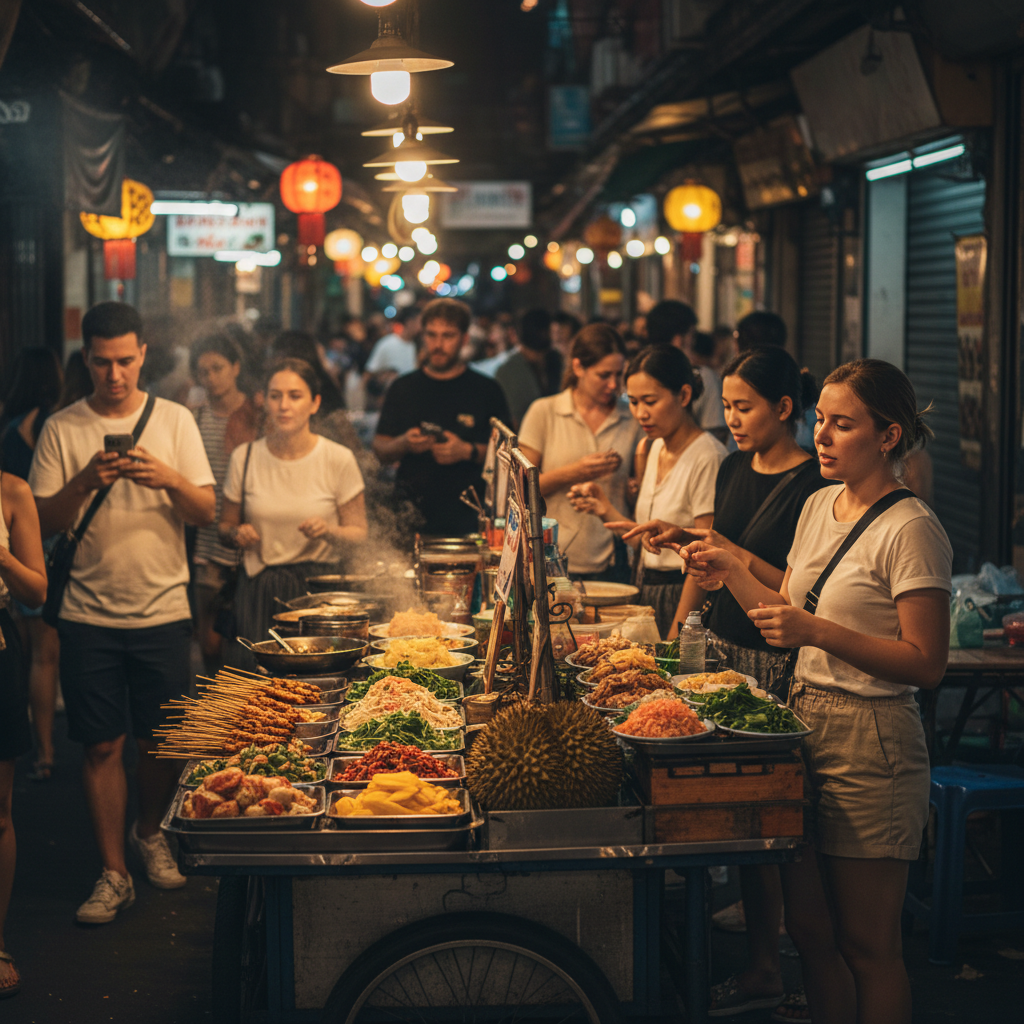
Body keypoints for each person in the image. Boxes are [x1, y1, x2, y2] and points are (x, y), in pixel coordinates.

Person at [679, 358, 952, 1024]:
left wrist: (816, 632)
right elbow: (787, 610)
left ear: (888, 436)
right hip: (804, 725)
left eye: (843, 424)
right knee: (810, 933)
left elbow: (925, 663)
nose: (823, 437)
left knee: (868, 945)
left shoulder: (911, 528)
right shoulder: (815, 505)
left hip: (874, 741)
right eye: (820, 420)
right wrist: (730, 568)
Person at [631, 347, 831, 1018]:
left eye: (744, 409)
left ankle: (785, 965)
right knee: (736, 824)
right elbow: (713, 559)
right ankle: (762, 964)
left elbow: (797, 592)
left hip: (772, 662)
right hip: (718, 648)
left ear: (784, 409)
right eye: (729, 408)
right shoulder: (733, 467)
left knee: (773, 822)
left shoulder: (814, 486)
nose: (733, 421)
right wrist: (685, 555)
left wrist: (728, 555)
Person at [29, 301, 216, 924]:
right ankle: (113, 872)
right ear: (87, 359)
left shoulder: (176, 420)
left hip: (163, 607)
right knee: (101, 745)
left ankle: (148, 832)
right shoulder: (61, 428)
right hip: (88, 612)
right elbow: (41, 522)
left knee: (161, 742)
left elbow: (206, 511)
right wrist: (85, 480)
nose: (115, 375)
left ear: (144, 355)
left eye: (126, 362)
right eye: (103, 363)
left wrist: (167, 478)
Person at [566, 346, 727, 635]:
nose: (640, 413)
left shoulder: (708, 456)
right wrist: (603, 507)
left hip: (681, 597)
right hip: (645, 588)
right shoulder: (655, 447)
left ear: (684, 395)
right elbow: (650, 542)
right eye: (634, 401)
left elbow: (704, 559)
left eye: (650, 401)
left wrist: (679, 634)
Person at [219, 358, 367, 663]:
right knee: (258, 690)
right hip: (259, 589)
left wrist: (329, 531)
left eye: (295, 396)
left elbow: (359, 533)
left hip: (319, 592)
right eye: (275, 396)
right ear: (265, 402)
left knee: (315, 683)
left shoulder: (337, 458)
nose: (284, 405)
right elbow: (224, 527)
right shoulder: (244, 457)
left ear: (314, 403)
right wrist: (236, 533)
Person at [373, 298, 511, 537]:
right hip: (410, 518)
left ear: (464, 339)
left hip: (470, 519)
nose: (438, 344)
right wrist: (404, 443)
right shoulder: (403, 387)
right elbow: (379, 449)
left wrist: (466, 450)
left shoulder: (486, 389)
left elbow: (508, 455)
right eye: (431, 335)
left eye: (448, 336)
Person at [518, 324, 641, 581]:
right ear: (578, 368)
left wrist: (635, 489)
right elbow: (520, 488)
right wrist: (576, 472)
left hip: (615, 556)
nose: (614, 385)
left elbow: (638, 490)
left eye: (619, 375)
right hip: (554, 556)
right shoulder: (545, 412)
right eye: (604, 375)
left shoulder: (632, 417)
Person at [0, 348, 63, 781]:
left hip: (18, 540)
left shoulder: (11, 430)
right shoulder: (50, 425)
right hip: (45, 538)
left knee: (24, 650)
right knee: (43, 655)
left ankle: (26, 746)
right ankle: (44, 750)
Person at [0, 462, 47, 998]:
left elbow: (36, 590)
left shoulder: (11, 490)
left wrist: (2, 554)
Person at [189, 332, 257, 671]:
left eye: (218, 368)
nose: (211, 378)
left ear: (235, 367)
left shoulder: (256, 413)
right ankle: (212, 699)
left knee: (248, 634)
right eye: (203, 372)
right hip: (206, 540)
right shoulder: (194, 418)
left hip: (249, 537)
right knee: (210, 639)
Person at [494, 308, 560, 428]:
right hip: (526, 437)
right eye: (551, 331)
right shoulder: (509, 370)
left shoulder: (556, 360)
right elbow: (512, 417)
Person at [364, 307, 420, 387]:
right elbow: (369, 373)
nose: (422, 327)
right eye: (419, 322)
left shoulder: (418, 346)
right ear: (410, 322)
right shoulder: (387, 344)